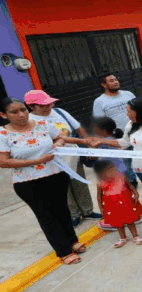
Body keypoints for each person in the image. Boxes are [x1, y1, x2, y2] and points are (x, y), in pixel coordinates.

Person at [0, 97, 85, 265]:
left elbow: (59, 137)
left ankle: (72, 240)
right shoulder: (3, 134)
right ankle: (63, 250)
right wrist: (36, 161)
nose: (21, 115)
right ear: (3, 115)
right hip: (29, 182)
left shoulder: (41, 124)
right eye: (14, 112)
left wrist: (57, 144)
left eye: (23, 110)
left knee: (62, 210)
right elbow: (3, 161)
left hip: (56, 174)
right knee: (47, 216)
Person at [93, 98, 142, 235]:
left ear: (140, 111)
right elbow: (124, 143)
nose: (127, 114)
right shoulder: (131, 125)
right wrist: (101, 141)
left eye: (130, 111)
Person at [25, 90, 100, 227]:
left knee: (79, 183)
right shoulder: (30, 121)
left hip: (72, 154)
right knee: (63, 187)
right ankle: (73, 214)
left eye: (49, 104)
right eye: (42, 106)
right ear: (31, 106)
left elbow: (78, 128)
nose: (48, 108)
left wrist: (88, 145)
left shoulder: (59, 112)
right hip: (52, 160)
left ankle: (87, 210)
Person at [94, 159, 142, 248]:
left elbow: (130, 185)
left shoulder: (121, 177)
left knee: (130, 220)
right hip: (112, 206)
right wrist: (101, 207)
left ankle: (135, 236)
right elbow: (99, 196)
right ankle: (122, 238)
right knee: (118, 223)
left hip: (125, 203)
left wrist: (135, 193)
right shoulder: (100, 183)